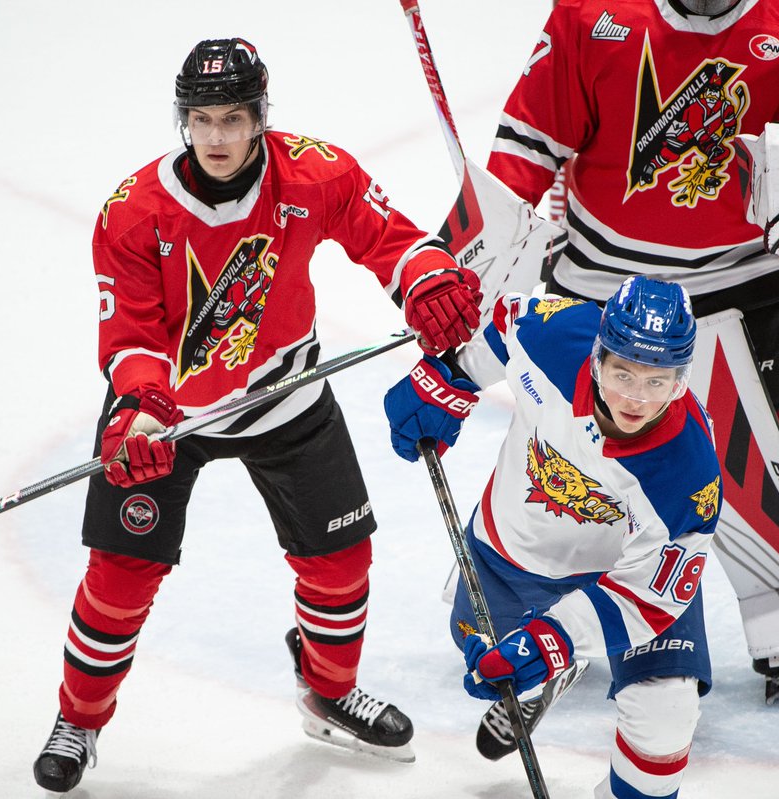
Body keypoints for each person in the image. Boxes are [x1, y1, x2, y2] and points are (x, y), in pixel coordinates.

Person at [30, 36, 484, 793]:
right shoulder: (134, 212)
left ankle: (329, 691)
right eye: (202, 119)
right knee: (120, 573)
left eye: (233, 118)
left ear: (259, 117)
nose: (216, 137)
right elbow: (133, 336)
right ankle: (79, 716)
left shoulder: (315, 171)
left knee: (341, 565)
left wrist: (427, 277)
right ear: (184, 119)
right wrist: (139, 416)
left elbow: (391, 240)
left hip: (285, 392)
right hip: (166, 416)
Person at [484, 0, 779, 697]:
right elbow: (526, 144)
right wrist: (475, 256)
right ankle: (544, 604)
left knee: (750, 459)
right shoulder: (591, 13)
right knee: (570, 452)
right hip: (602, 276)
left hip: (743, 280)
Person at [385, 275, 722, 798]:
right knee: (489, 659)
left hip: (622, 578)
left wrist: (557, 637)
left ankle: (562, 658)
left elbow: (646, 596)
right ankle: (550, 671)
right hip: (512, 553)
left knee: (666, 714)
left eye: (657, 381)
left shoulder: (690, 472)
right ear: (598, 357)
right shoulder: (556, 333)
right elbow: (501, 325)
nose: (635, 398)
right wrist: (448, 382)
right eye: (623, 373)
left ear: (681, 379)